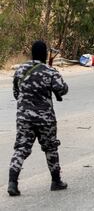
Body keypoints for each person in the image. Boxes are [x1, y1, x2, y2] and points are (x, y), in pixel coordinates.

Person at [8, 41, 69, 196]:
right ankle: (56, 181)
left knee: (21, 149)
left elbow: (16, 94)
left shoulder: (20, 70)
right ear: (44, 54)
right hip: (45, 119)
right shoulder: (49, 71)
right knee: (50, 148)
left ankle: (12, 183)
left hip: (24, 118)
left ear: (32, 53)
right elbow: (63, 90)